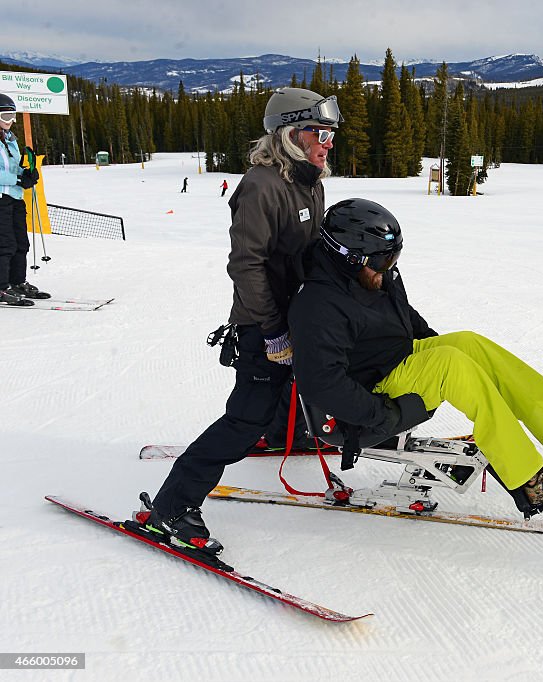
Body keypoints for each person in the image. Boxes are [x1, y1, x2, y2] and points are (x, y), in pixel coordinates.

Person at [289, 198, 543, 514]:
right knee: (452, 365)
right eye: (382, 263)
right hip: (367, 399)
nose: (388, 269)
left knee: (468, 344)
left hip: (391, 363)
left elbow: (400, 312)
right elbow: (321, 383)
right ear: (349, 256)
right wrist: (381, 416)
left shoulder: (367, 273)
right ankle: (530, 480)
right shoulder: (317, 304)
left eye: (393, 259)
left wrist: (439, 345)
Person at [143, 87, 341, 556]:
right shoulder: (261, 185)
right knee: (244, 416)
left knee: (293, 383)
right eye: (320, 132)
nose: (328, 141)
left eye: (330, 133)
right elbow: (246, 265)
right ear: (290, 134)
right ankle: (172, 505)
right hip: (261, 321)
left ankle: (283, 432)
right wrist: (271, 331)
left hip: (294, 313)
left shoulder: (309, 179)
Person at [0, 94, 48, 307]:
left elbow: (12, 165)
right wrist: (17, 178)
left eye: (12, 115)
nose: (10, 120)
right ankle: (2, 287)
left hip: (15, 197)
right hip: (1, 198)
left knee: (21, 242)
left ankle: (17, 281)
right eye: (6, 115)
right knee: (5, 244)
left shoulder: (10, 139)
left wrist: (27, 173)